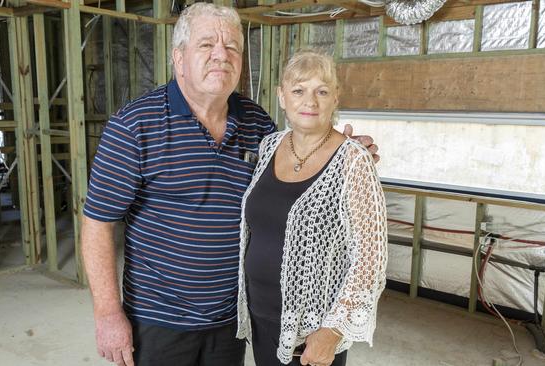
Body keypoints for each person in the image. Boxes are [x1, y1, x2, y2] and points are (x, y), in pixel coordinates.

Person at [81, 4, 379, 366]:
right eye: (206, 45)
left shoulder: (258, 125)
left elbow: (302, 159)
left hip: (232, 322)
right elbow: (97, 223)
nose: (221, 56)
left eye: (233, 47)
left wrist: (345, 151)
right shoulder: (134, 127)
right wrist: (108, 313)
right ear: (179, 58)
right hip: (160, 322)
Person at [236, 49, 388, 366]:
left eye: (322, 91)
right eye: (299, 90)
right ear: (282, 97)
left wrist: (332, 332)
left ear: (335, 98)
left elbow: (369, 261)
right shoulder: (269, 146)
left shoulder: (353, 160)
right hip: (261, 315)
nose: (310, 101)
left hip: (313, 329)